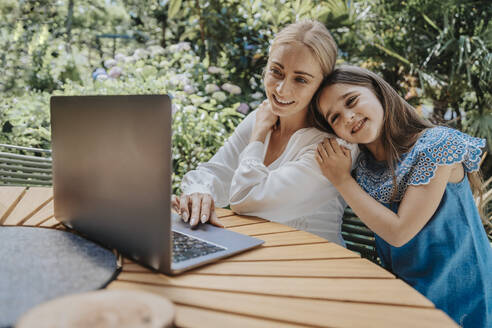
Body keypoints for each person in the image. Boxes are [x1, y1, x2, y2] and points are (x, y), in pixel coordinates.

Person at [313, 65, 492, 327]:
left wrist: (341, 180)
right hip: (410, 300)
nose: (348, 117)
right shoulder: (364, 167)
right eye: (335, 118)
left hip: (463, 299)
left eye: (351, 101)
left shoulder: (436, 145)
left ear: (379, 93)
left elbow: (399, 233)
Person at [171, 20, 358, 245]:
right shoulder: (263, 117)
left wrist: (258, 134)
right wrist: (199, 193)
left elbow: (247, 200)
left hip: (315, 266)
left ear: (322, 84)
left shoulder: (332, 146)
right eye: (276, 72)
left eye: (300, 79)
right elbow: (215, 171)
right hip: (253, 256)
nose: (281, 89)